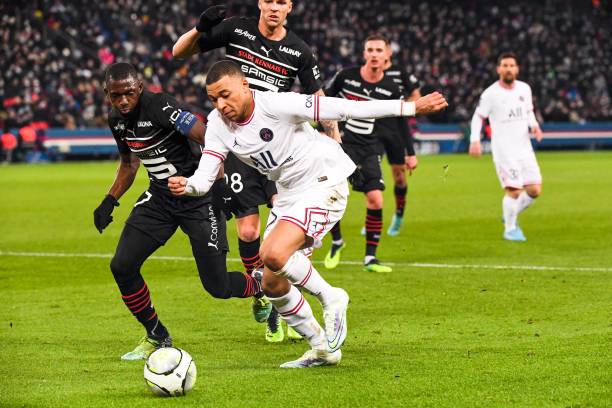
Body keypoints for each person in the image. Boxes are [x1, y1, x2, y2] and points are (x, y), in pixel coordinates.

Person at [168, 60, 448, 367]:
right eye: (213, 99)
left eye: (225, 95)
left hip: (324, 181)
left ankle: (332, 297)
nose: (221, 105)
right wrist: (188, 185)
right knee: (272, 284)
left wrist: (410, 108)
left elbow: (343, 108)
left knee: (272, 253)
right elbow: (205, 176)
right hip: (289, 194)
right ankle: (322, 349)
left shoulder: (276, 104)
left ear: (245, 85)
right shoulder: (217, 124)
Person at [172, 1, 340, 342]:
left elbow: (318, 99)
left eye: (281, 2)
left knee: (287, 227)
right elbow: (179, 52)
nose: (274, 7)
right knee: (249, 231)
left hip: (281, 148)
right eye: (269, 1)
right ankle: (266, 296)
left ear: (289, 6)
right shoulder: (237, 29)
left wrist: (334, 140)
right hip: (241, 145)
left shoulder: (299, 51)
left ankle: (288, 300)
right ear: (261, 3)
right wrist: (200, 28)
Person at [94, 62, 268, 361]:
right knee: (122, 266)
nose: (122, 101)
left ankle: (263, 286)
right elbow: (129, 163)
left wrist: (220, 185)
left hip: (199, 198)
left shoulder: (162, 106)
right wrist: (110, 200)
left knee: (217, 286)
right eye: (115, 95)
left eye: (129, 93)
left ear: (140, 88)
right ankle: (157, 335)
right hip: (160, 200)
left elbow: (209, 138)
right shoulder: (116, 120)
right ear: (107, 93)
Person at [323, 35, 404, 273]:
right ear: (364, 53)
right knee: (329, 196)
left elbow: (399, 122)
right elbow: (323, 100)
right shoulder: (345, 76)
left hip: (369, 148)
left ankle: (370, 258)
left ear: (387, 55)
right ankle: (337, 241)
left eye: (379, 50)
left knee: (376, 199)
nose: (374, 54)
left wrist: (408, 152)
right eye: (370, 49)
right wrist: (327, 132)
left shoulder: (391, 88)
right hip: (341, 145)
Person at [469, 52, 543, 241]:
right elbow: (478, 116)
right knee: (514, 190)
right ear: (498, 69)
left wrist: (534, 125)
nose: (509, 69)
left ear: (517, 69)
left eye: (512, 65)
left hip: (524, 148)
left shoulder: (525, 89)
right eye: (505, 65)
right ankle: (510, 229)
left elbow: (529, 111)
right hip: (504, 151)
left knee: (534, 190)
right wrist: (474, 140)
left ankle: (510, 213)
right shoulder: (490, 94)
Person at [381, 44, 421, 236]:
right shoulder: (365, 74)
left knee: (399, 177)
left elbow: (416, 95)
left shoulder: (399, 72)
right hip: (372, 129)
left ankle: (398, 215)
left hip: (395, 129)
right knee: (370, 175)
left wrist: (405, 108)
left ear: (388, 52)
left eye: (381, 50)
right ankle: (373, 216)